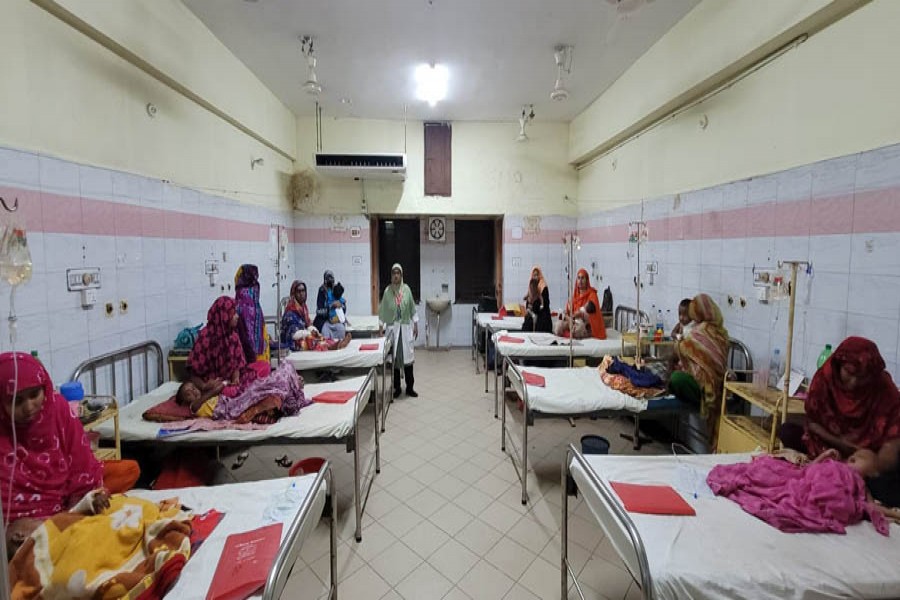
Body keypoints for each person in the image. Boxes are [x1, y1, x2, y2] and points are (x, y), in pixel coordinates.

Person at [0, 353, 139, 523]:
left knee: (130, 469)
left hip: (68, 486)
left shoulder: (58, 408)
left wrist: (90, 495)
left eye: (34, 395)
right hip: (26, 512)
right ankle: (61, 519)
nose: (28, 407)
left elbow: (80, 460)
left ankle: (71, 512)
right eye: (16, 401)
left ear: (44, 387)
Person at [801, 337, 900, 458]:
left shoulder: (883, 388)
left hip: (867, 456)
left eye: (862, 377)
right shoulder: (825, 379)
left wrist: (875, 465)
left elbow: (894, 436)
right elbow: (812, 422)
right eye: (849, 372)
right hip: (828, 443)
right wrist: (842, 443)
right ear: (839, 365)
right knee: (788, 432)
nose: (854, 383)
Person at [668, 293, 729, 443]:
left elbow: (682, 349)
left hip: (707, 386)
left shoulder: (702, 331)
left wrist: (674, 360)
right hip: (713, 380)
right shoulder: (722, 333)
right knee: (675, 373)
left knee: (676, 379)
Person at [379, 264, 419, 398]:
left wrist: (416, 324)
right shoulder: (387, 291)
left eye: (398, 273)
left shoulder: (406, 289)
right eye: (393, 273)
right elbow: (383, 310)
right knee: (394, 360)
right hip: (392, 329)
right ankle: (396, 388)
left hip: (406, 328)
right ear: (391, 275)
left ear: (401, 275)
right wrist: (380, 327)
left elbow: (412, 307)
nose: (396, 275)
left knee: (408, 360)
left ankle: (410, 388)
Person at [188, 296, 247, 387]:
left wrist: (235, 378)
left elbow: (237, 365)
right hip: (209, 386)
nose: (237, 316)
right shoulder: (205, 338)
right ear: (224, 315)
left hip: (228, 384)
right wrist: (204, 386)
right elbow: (193, 374)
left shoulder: (233, 336)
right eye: (233, 313)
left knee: (262, 368)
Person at [555, 268, 606, 339]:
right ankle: (569, 334)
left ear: (587, 280)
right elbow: (567, 312)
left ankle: (571, 335)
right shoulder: (574, 295)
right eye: (578, 278)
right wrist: (569, 319)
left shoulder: (592, 294)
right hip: (572, 321)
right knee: (558, 326)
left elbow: (594, 314)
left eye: (582, 278)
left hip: (586, 325)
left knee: (579, 329)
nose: (580, 281)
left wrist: (581, 314)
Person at [234, 264, 270, 363]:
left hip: (247, 345)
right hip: (258, 342)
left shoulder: (241, 295)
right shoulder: (254, 289)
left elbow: (246, 327)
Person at [314, 270, 347, 340]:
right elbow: (318, 311)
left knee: (341, 330)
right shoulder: (321, 291)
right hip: (324, 320)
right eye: (328, 280)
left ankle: (339, 344)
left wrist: (340, 306)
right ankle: (329, 346)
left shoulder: (336, 289)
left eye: (331, 280)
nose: (330, 283)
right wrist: (330, 307)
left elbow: (344, 307)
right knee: (325, 333)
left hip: (336, 320)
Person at [280, 280, 312, 349]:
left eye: (303, 291)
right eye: (298, 291)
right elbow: (294, 334)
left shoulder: (304, 308)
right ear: (294, 294)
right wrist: (308, 333)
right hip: (290, 346)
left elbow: (307, 325)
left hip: (302, 341)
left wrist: (312, 330)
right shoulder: (290, 311)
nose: (301, 294)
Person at [522, 266, 552, 333]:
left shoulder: (543, 287)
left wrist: (534, 305)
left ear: (540, 275)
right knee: (526, 324)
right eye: (534, 275)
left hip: (543, 318)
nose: (536, 277)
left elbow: (545, 304)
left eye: (537, 275)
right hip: (532, 316)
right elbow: (528, 303)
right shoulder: (532, 285)